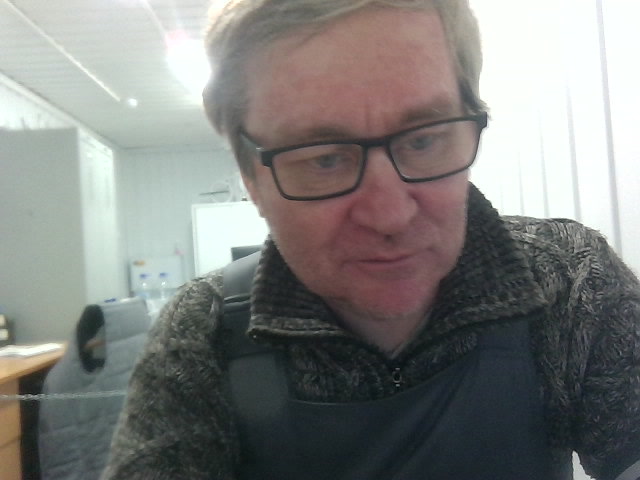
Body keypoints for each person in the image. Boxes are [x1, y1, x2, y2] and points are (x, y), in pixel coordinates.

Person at [102, 1, 640, 479]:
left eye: (424, 141)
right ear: (252, 181)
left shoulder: (569, 281)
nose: (390, 215)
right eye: (324, 159)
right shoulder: (205, 332)